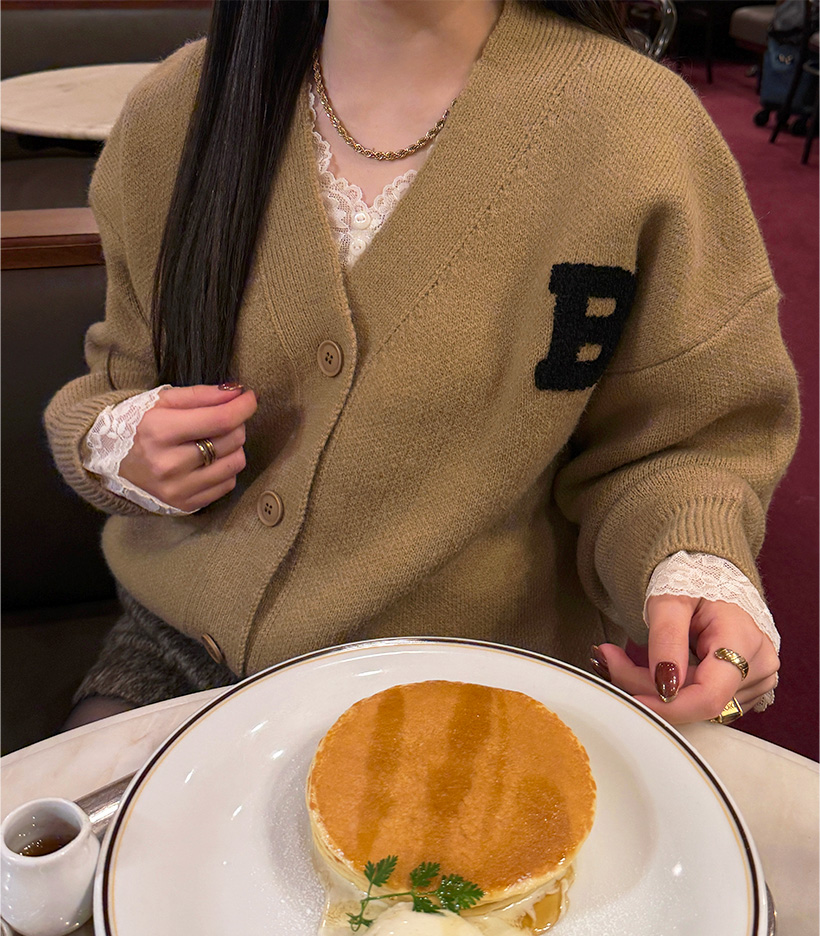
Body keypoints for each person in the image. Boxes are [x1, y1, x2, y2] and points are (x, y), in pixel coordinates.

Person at [45, 0, 799, 732]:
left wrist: (693, 568)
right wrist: (115, 448)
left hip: (479, 677)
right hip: (185, 653)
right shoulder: (175, 113)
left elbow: (682, 444)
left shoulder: (637, 130)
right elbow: (119, 378)